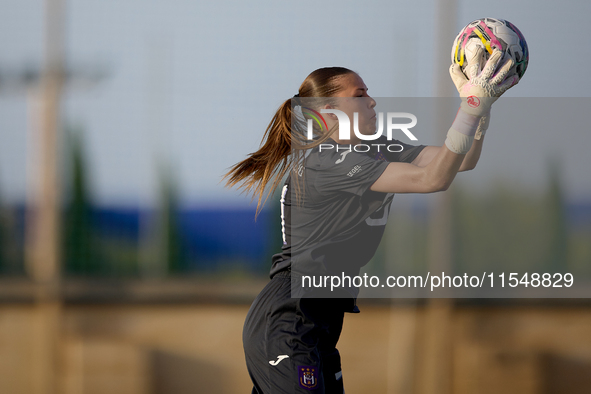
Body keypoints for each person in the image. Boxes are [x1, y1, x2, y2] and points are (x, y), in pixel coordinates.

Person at [225, 48, 519, 393]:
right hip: (289, 321)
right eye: (360, 95)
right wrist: (469, 110)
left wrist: (480, 107)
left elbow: (460, 161)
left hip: (317, 327)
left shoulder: (374, 148)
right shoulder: (325, 161)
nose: (373, 102)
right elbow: (431, 180)